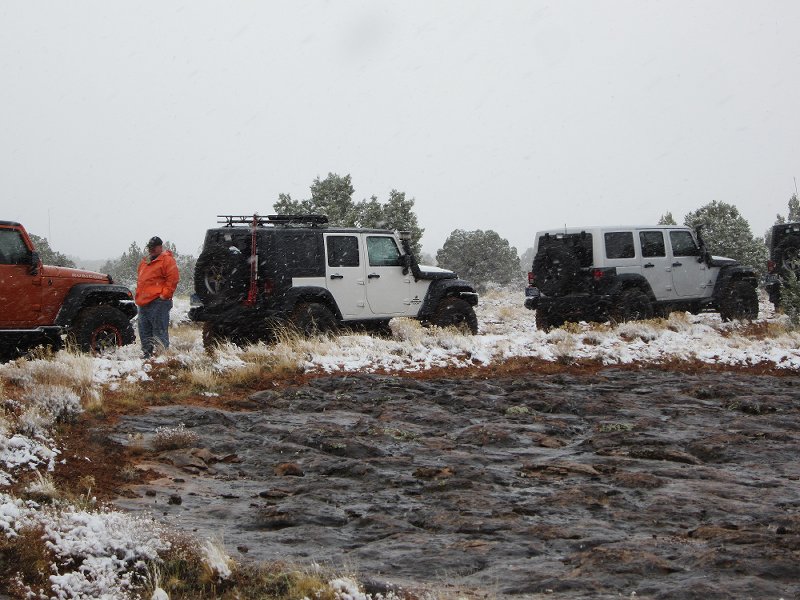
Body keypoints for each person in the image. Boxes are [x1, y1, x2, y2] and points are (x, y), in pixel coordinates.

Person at [135, 236, 179, 358]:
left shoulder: (167, 260)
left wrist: (164, 296)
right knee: (144, 331)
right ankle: (147, 355)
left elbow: (173, 280)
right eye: (150, 248)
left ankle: (162, 358)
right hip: (143, 303)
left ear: (160, 247)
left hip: (158, 302)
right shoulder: (145, 262)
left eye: (154, 248)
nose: (151, 250)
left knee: (159, 332)